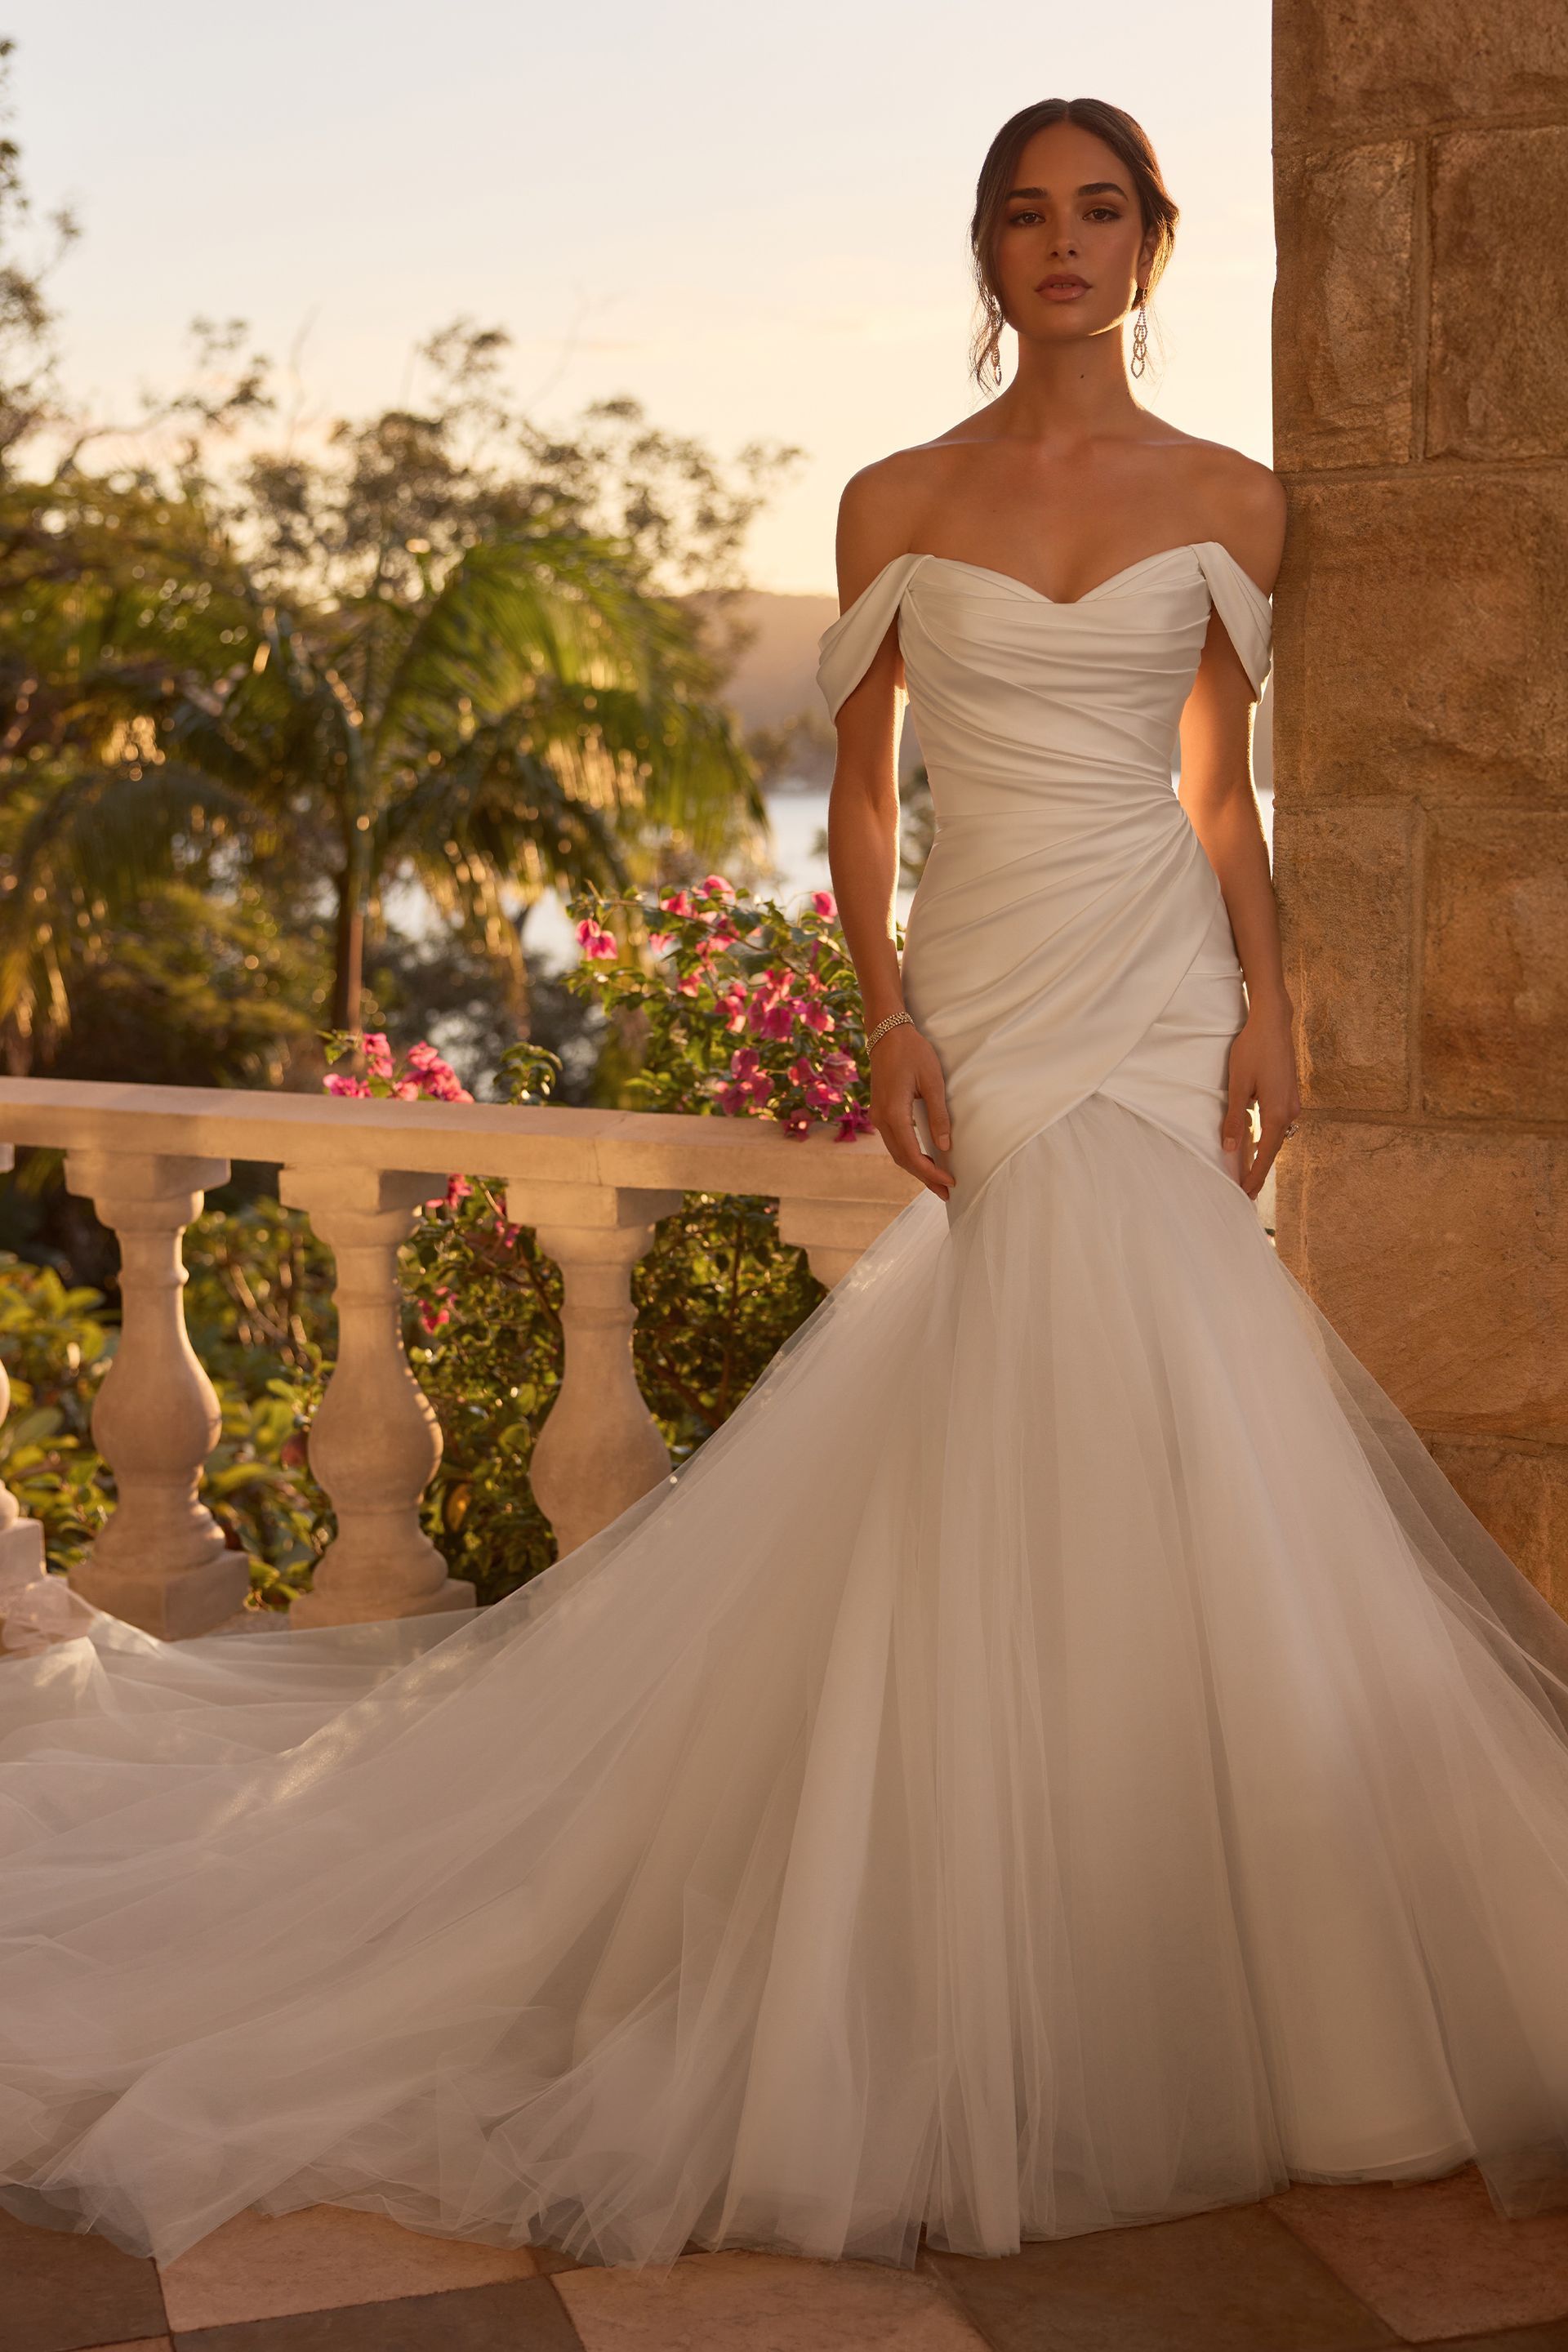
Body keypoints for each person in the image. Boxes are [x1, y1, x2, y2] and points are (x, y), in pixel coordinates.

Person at [3, 96, 1568, 2285]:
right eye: (1026, 214)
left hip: (1156, 983)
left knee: (1188, 1424)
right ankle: (990, 1954)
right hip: (998, 1004)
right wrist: (888, 1017)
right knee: (1034, 1398)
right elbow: (857, 802)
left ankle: (1204, 1961)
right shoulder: (894, 499)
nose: (1063, 245)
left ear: (1154, 240)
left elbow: (1222, 790)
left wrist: (1276, 1009)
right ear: (985, 248)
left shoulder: (1238, 501)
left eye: (1100, 210)